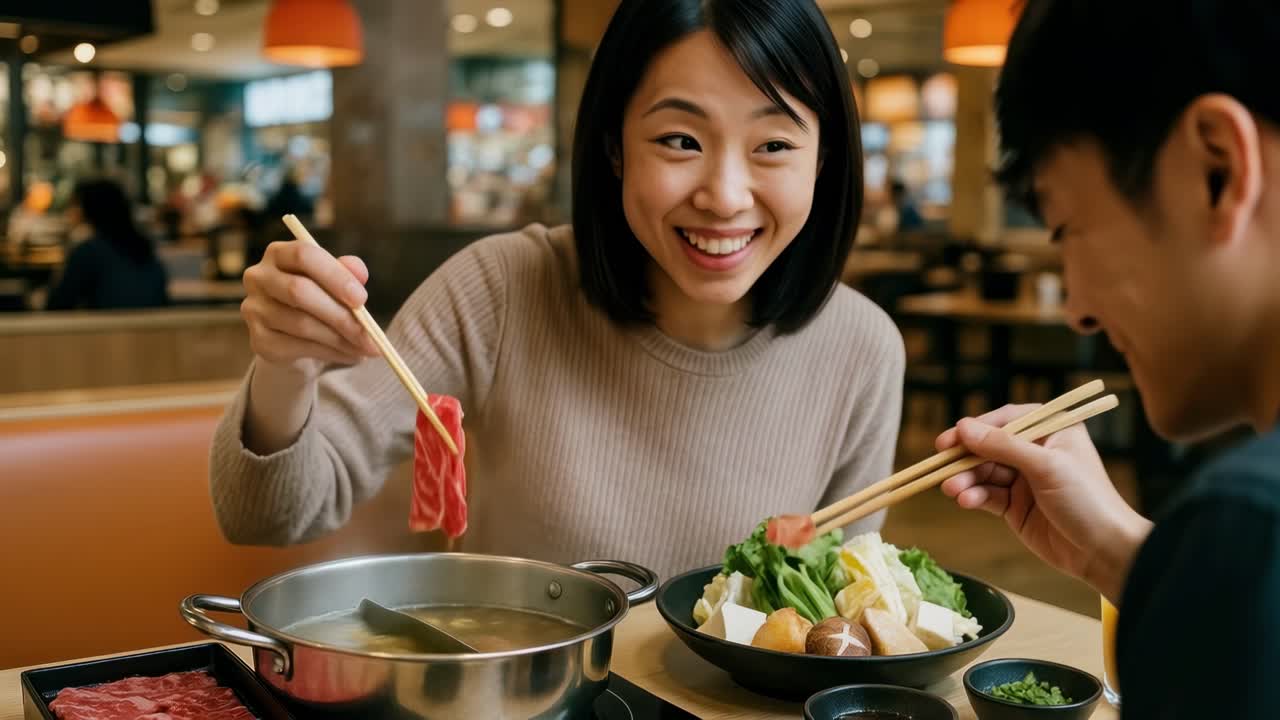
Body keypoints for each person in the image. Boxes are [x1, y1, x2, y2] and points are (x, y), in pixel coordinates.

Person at [209, 0, 905, 579]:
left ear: (824, 160)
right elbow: (266, 515)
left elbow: (828, 622)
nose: (724, 197)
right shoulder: (503, 289)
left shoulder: (862, 350)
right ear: (614, 147)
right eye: (680, 141)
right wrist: (285, 368)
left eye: (773, 146)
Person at [935, 2, 1280, 717]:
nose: (1077, 309)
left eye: (1067, 228)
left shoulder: (1251, 531)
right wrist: (1118, 555)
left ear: (1216, 168)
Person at [46, 178, 169, 311]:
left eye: (75, 204)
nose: (70, 211)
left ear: (88, 208)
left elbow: (58, 304)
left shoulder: (88, 253)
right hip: (150, 327)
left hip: (107, 329)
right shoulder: (144, 247)